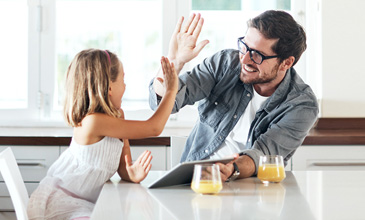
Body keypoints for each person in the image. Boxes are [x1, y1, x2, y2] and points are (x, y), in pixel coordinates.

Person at [149, 11, 319, 182]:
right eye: (244, 46)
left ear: (287, 63)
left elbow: (264, 154)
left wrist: (231, 169)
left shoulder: (301, 104)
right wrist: (174, 62)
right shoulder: (224, 63)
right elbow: (164, 105)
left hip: (251, 188)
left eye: (257, 55)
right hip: (197, 180)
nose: (245, 59)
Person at [27, 49, 178, 220]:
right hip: (64, 199)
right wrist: (171, 92)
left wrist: (131, 174)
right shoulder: (92, 122)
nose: (126, 86)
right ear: (109, 87)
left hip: (88, 202)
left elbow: (123, 166)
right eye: (123, 79)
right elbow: (154, 128)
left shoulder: (118, 116)